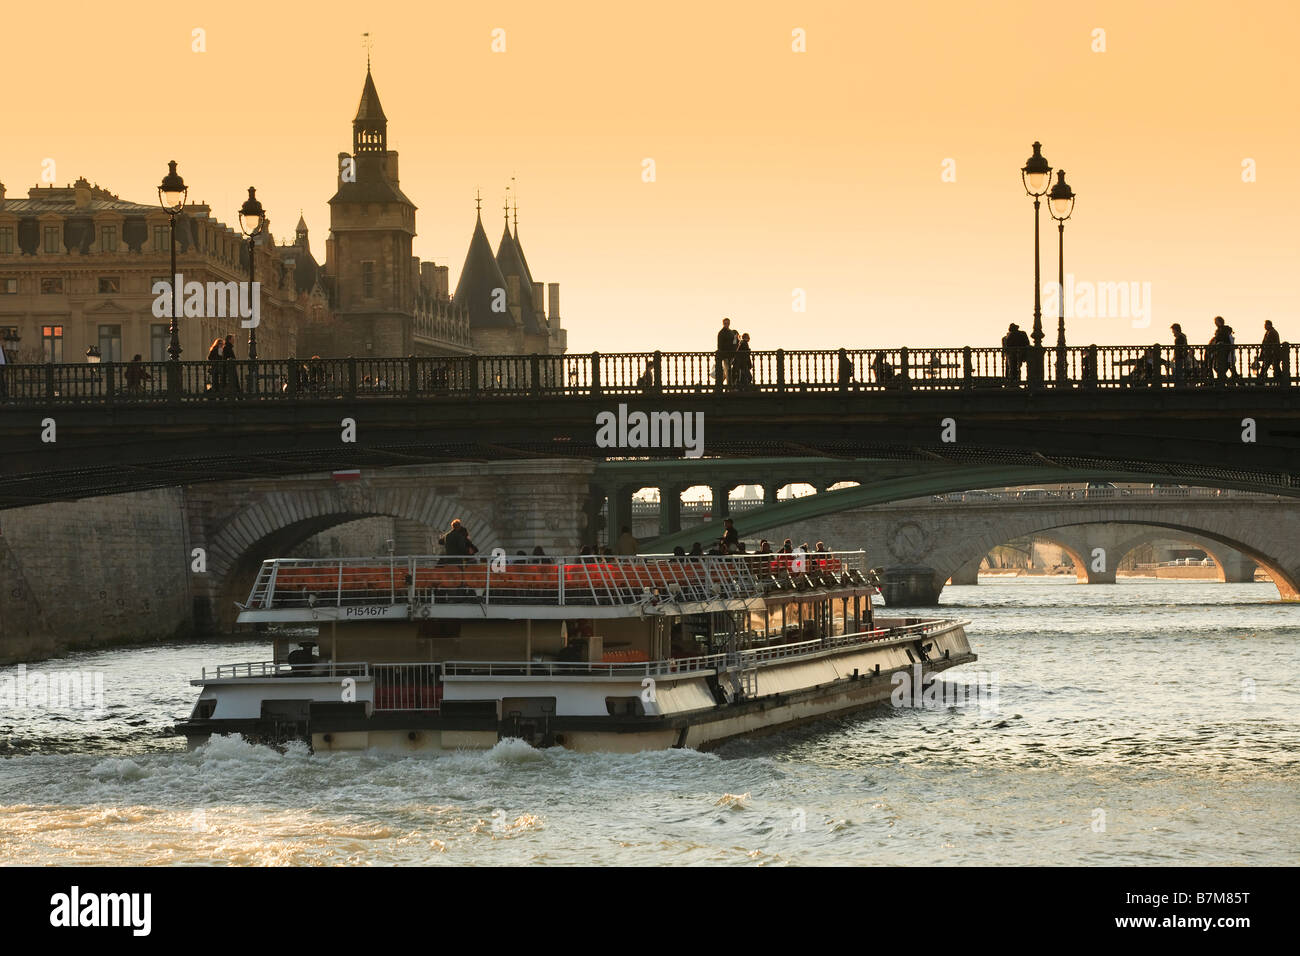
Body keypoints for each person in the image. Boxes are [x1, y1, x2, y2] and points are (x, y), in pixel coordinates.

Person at [1210, 315, 1238, 382]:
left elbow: (1222, 340)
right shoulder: (1223, 330)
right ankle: (1230, 380)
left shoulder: (1223, 330)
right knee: (1226, 367)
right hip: (1223, 352)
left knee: (1222, 367)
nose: (1215, 323)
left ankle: (1226, 380)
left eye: (1216, 322)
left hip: (1224, 352)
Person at [715, 317, 739, 390]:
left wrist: (736, 339)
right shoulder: (721, 333)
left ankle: (719, 385)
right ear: (723, 324)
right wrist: (721, 352)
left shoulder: (731, 332)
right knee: (727, 370)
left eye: (728, 323)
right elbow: (719, 344)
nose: (726, 324)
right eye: (725, 323)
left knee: (727, 371)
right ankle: (729, 387)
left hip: (732, 354)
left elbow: (734, 342)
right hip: (726, 354)